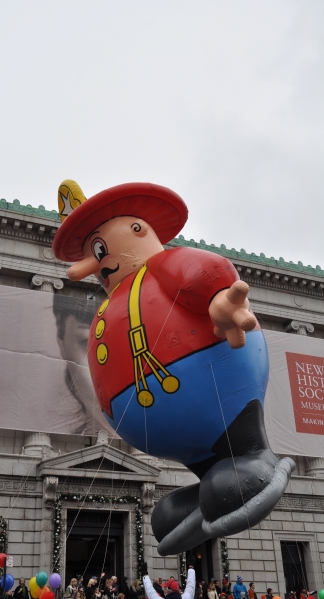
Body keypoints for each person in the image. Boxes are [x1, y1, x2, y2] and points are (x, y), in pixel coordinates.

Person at [53, 178, 294, 556]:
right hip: (154, 420)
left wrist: (220, 303)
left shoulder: (166, 264)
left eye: (99, 249)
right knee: (166, 514)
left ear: (138, 231)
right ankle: (206, 484)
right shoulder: (109, 305)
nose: (95, 264)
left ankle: (253, 456)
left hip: (221, 391)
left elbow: (205, 272)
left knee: (230, 473)